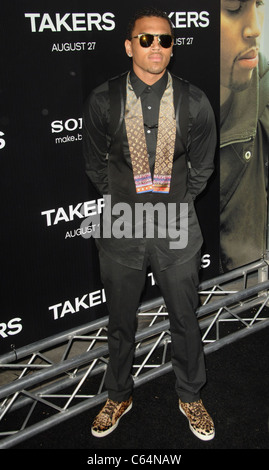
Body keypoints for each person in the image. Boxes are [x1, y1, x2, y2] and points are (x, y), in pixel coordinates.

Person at [83, 7, 217, 441]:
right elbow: (95, 166)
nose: (156, 46)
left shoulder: (193, 101)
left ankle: (191, 395)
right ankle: (118, 394)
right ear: (129, 45)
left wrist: (174, 201)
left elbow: (202, 168)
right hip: (122, 222)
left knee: (184, 316)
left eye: (164, 40)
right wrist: (125, 197)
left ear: (172, 48)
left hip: (175, 221)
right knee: (120, 320)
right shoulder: (104, 100)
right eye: (146, 39)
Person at [220, 0, 269, 271]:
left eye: (259, 3)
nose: (255, 28)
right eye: (233, 6)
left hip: (246, 299)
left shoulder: (263, 84)